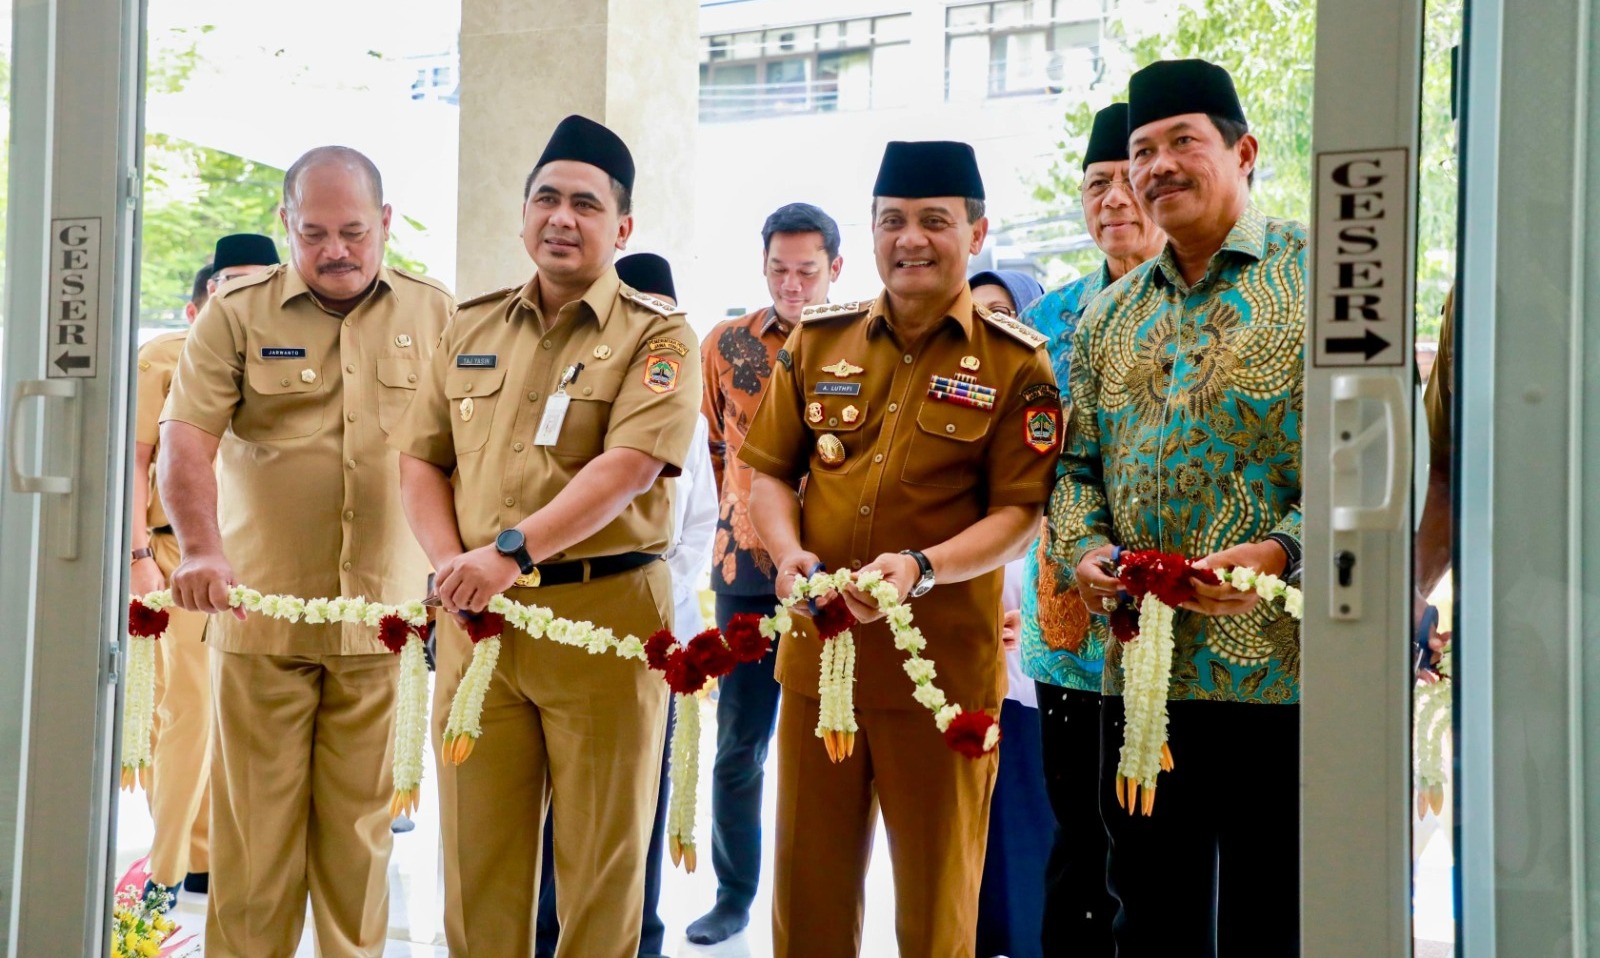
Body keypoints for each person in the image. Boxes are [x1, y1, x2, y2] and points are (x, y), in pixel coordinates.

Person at [391, 114, 702, 958]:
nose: (562, 217)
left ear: (622, 226)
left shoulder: (658, 333)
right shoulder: (473, 325)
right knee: (474, 858)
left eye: (585, 204)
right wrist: (455, 567)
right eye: (546, 199)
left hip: (604, 619)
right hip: (479, 627)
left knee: (600, 866)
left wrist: (509, 552)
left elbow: (631, 464)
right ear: (523, 213)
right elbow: (419, 460)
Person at [741, 140, 1061, 958]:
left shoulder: (1016, 360)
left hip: (943, 679)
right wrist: (787, 556)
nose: (910, 239)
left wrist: (924, 569)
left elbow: (1022, 511)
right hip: (824, 665)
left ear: (976, 231)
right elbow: (769, 473)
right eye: (893, 221)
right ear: (872, 233)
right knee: (807, 906)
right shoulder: (819, 341)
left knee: (936, 912)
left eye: (933, 221)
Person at [158, 148, 452, 958]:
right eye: (315, 231)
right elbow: (184, 442)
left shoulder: (436, 314)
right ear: (286, 224)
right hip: (261, 619)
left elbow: (473, 449)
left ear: (385, 224)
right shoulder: (236, 313)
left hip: (382, 624)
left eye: (355, 231)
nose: (336, 250)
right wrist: (201, 551)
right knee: (254, 842)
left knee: (361, 841)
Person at [1051, 59, 1305, 957]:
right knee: (1149, 908)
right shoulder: (1108, 315)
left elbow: (1371, 471)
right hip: (1145, 680)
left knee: (1275, 910)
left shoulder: (1318, 281)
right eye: (1141, 150)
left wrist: (1279, 552)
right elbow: (1076, 469)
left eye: (1182, 142)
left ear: (1244, 150)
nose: (1156, 166)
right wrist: (1081, 550)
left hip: (1283, 672)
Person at [533, 251, 715, 958]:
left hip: (648, 627)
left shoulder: (684, 415)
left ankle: (641, 936)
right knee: (555, 802)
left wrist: (654, 587)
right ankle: (550, 931)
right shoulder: (565, 396)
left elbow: (697, 522)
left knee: (633, 801)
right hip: (553, 612)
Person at [1019, 101, 1166, 957]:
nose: (1113, 198)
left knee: (1159, 837)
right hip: (1067, 621)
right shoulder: (1049, 323)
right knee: (1078, 831)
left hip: (1177, 617)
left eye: (1126, 180)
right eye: (1095, 184)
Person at [691, 201, 843, 946]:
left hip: (837, 572)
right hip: (745, 569)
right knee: (739, 745)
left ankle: (813, 900)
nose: (791, 283)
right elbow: (717, 445)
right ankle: (733, 893)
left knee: (828, 746)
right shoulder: (724, 345)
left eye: (806, 270)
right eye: (778, 269)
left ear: (835, 270)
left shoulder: (862, 342)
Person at [133, 233, 282, 909]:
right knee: (188, 710)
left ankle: (205, 856)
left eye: (259, 282)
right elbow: (136, 464)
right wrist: (138, 558)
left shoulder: (283, 353)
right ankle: (163, 872)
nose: (243, 295)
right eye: (230, 283)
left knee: (240, 715)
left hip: (259, 559)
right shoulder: (164, 358)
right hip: (178, 556)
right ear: (199, 303)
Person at [964, 270, 1054, 958]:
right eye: (976, 315)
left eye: (1004, 314)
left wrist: (1038, 615)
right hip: (959, 666)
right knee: (967, 847)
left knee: (1028, 827)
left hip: (1033, 671)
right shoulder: (951, 414)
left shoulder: (1051, 412)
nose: (989, 328)